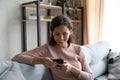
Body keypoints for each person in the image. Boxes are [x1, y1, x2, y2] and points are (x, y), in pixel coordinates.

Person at [12, 15, 93, 80]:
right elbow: (16, 57)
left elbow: (90, 77)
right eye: (57, 34)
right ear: (52, 33)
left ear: (70, 32)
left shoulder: (78, 49)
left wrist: (71, 68)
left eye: (64, 34)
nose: (61, 38)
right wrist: (42, 60)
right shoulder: (48, 48)